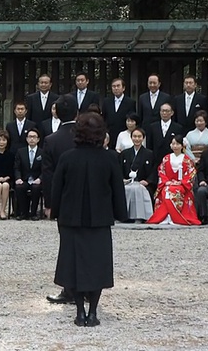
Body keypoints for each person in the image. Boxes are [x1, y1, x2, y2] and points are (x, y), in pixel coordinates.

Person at [51, 112, 127, 327]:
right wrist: (121, 213)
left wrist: (55, 211)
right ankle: (93, 312)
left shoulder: (67, 157)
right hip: (99, 220)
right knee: (97, 265)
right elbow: (117, 190)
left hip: (71, 219)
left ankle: (79, 311)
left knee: (73, 264)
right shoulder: (110, 158)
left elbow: (57, 189)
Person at [42, 94, 79, 304]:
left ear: (56, 112)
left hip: (64, 200)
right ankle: (83, 288)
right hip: (87, 197)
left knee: (67, 244)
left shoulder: (52, 140)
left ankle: (69, 288)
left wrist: (49, 203)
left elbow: (48, 176)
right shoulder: (86, 136)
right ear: (77, 112)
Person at [146, 135, 200, 225]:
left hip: (181, 185)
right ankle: (165, 217)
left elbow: (191, 173)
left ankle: (175, 217)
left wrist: (180, 182)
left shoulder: (187, 160)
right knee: (166, 191)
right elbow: (161, 171)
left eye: (177, 144)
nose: (175, 146)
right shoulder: (166, 158)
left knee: (174, 191)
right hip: (167, 184)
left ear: (182, 146)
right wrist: (167, 181)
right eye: (173, 143)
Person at [119, 128, 154, 222]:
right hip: (128, 182)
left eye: (139, 136)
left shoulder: (149, 154)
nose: (137, 139)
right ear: (131, 138)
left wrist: (147, 181)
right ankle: (123, 216)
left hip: (142, 183)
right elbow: (119, 169)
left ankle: (139, 216)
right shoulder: (125, 153)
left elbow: (153, 171)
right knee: (126, 189)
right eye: (134, 136)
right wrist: (122, 179)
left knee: (137, 189)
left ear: (143, 138)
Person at [14, 129, 43, 221]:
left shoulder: (42, 152)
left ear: (38, 139)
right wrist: (18, 178)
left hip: (36, 179)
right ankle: (23, 212)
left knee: (36, 188)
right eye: (30, 137)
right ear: (26, 139)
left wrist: (40, 178)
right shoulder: (20, 152)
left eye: (34, 137)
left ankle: (34, 213)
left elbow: (45, 169)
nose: (32, 139)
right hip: (25, 179)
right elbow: (17, 167)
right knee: (19, 187)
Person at [102, 78, 137, 149]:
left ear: (123, 88)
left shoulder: (130, 102)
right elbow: (104, 118)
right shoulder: (106, 102)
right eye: (113, 86)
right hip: (110, 135)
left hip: (124, 135)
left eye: (118, 86)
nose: (116, 88)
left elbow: (132, 119)